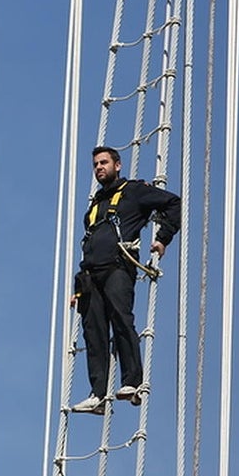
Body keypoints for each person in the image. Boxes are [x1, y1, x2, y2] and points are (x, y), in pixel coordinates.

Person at [69, 146, 181, 415]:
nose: (99, 168)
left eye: (104, 163)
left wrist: (162, 238)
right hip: (90, 276)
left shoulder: (133, 191)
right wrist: (77, 289)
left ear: (117, 165)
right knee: (93, 333)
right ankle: (98, 395)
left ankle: (132, 381)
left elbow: (173, 203)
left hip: (118, 267)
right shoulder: (95, 205)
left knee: (121, 319)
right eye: (95, 164)